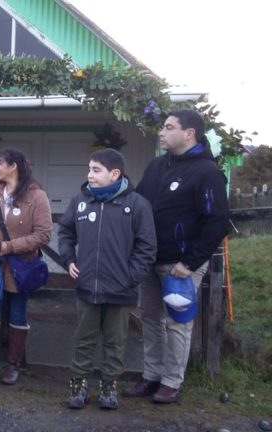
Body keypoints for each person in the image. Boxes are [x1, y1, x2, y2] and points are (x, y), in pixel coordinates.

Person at [124, 109, 229, 403]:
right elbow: (139, 203)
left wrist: (190, 262)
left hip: (180, 264)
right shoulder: (157, 166)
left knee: (177, 322)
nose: (161, 132)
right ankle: (151, 376)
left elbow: (218, 221)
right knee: (150, 318)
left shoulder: (207, 172)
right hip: (149, 259)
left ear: (189, 133)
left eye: (169, 127)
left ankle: (171, 382)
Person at [58, 149, 157, 410]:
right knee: (83, 340)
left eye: (96, 170)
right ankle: (78, 387)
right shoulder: (80, 201)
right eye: (89, 169)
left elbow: (147, 246)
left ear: (115, 174)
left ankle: (109, 387)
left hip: (121, 290)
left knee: (115, 342)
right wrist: (69, 259)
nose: (89, 175)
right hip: (87, 287)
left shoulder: (137, 205)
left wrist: (130, 277)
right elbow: (65, 232)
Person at [0, 148, 52, 385]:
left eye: (0, 163)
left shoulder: (37, 196)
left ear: (13, 166)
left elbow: (43, 234)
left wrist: (10, 246)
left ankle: (13, 365)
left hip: (21, 268)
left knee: (17, 314)